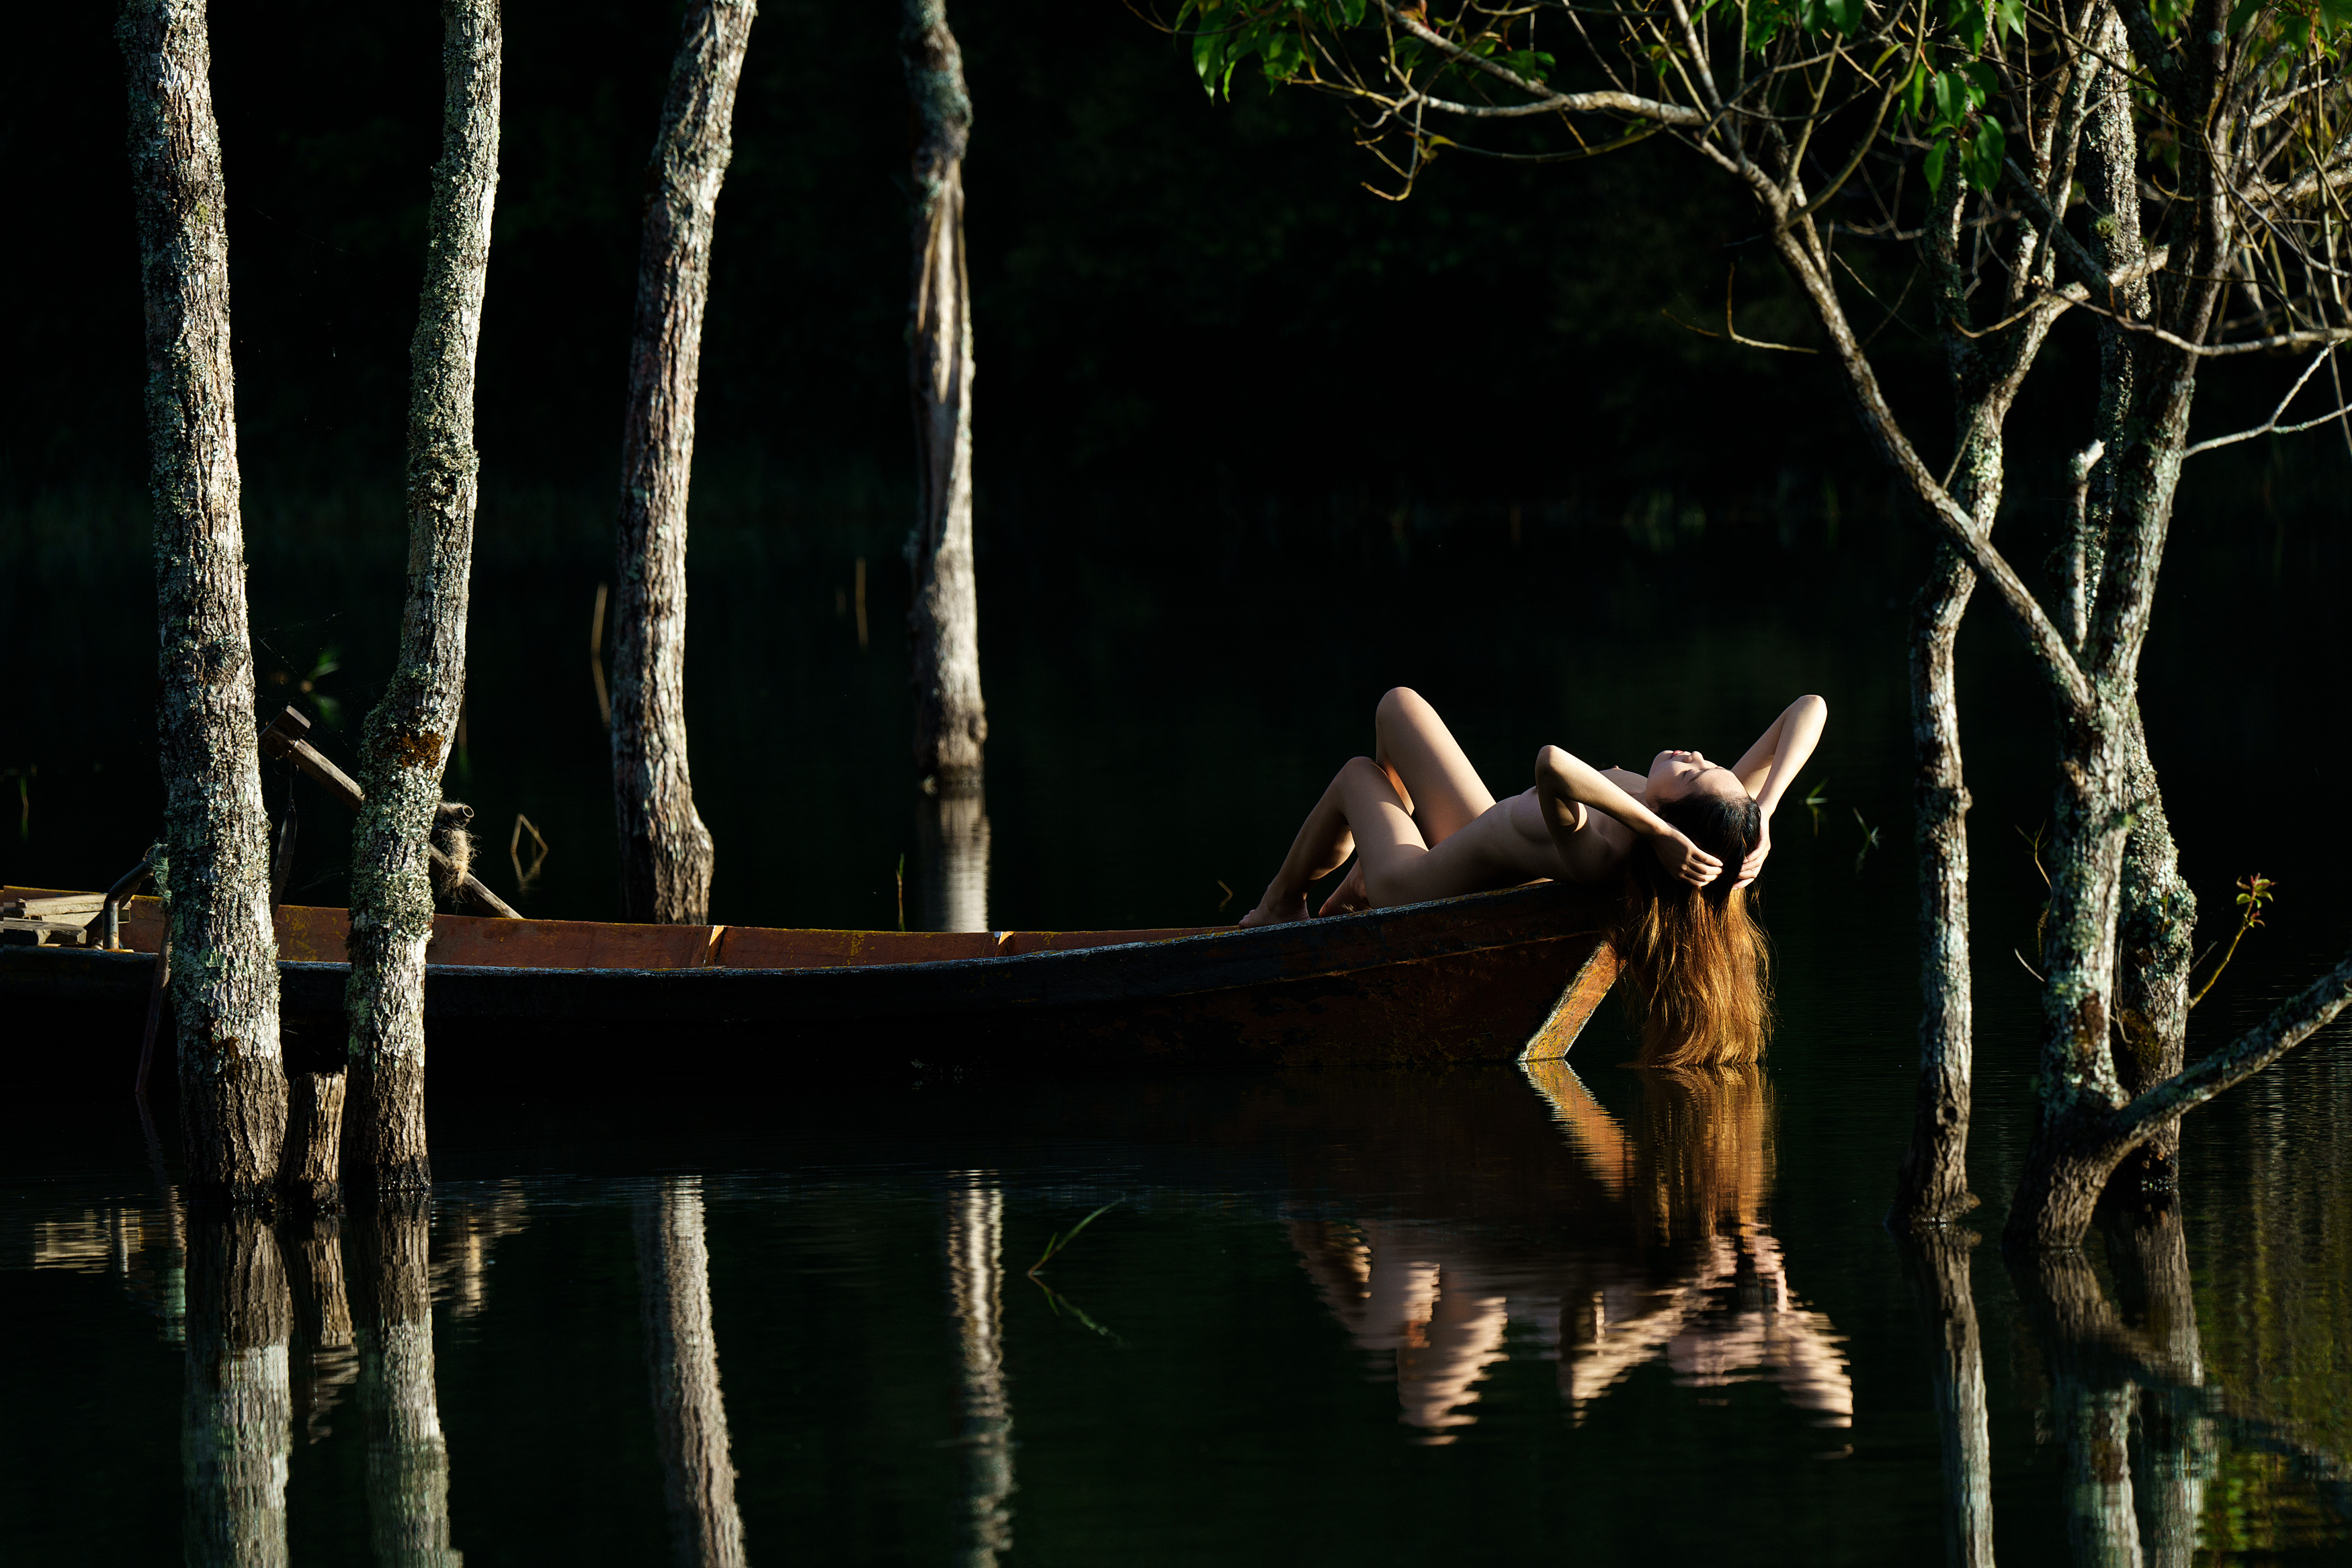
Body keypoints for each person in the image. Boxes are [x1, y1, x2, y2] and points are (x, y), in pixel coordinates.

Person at [1238, 688, 1828, 1066]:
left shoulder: (1601, 851)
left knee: (1357, 774)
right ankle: (1366, 875)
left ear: (1676, 822)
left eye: (1697, 775)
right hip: (1475, 829)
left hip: (1419, 884)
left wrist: (1658, 832)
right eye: (1713, 767)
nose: (1698, 757)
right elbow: (1810, 707)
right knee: (1398, 707)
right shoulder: (1690, 815)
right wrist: (1766, 812)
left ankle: (1283, 904)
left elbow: (1551, 765)